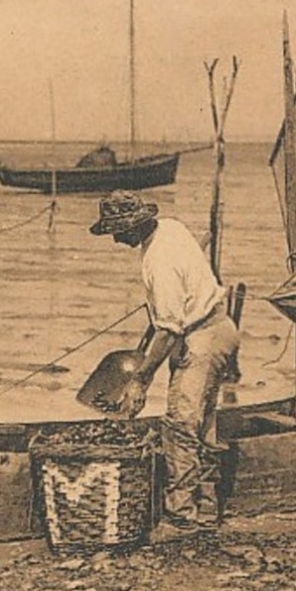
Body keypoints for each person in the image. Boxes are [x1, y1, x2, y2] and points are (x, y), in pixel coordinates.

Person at [90, 191, 239, 531]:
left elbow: (170, 330)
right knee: (203, 424)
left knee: (180, 425)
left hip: (202, 338)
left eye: (118, 230)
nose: (116, 239)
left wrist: (140, 381)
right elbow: (178, 300)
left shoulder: (159, 261)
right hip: (219, 327)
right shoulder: (170, 227)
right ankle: (206, 508)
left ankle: (181, 515)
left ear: (134, 225)